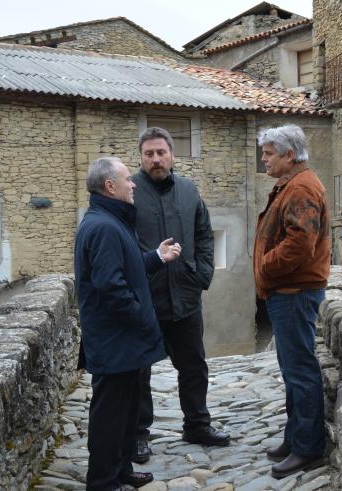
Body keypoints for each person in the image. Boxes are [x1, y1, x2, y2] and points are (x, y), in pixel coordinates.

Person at [74, 156, 181, 491]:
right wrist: (141, 319)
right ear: (110, 186)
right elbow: (111, 287)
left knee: (125, 412)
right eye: (126, 179)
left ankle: (121, 471)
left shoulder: (111, 221)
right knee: (109, 416)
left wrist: (155, 258)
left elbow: (125, 267)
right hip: (115, 339)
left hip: (122, 340)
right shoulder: (104, 226)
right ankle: (103, 482)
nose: (133, 183)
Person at [131, 127, 228, 464]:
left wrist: (202, 273)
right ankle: (139, 434)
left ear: (172, 154)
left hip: (185, 296)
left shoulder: (188, 190)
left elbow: (204, 233)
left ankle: (197, 425)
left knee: (194, 366)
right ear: (141, 157)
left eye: (161, 152)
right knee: (139, 371)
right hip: (145, 300)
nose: (155, 159)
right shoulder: (129, 193)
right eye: (149, 154)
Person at [253, 125, 331, 479]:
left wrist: (265, 266)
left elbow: (301, 244)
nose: (264, 159)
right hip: (287, 291)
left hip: (294, 292)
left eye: (269, 153)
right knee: (292, 368)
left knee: (300, 371)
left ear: (289, 155)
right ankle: (295, 437)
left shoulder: (300, 188)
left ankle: (308, 447)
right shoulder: (293, 183)